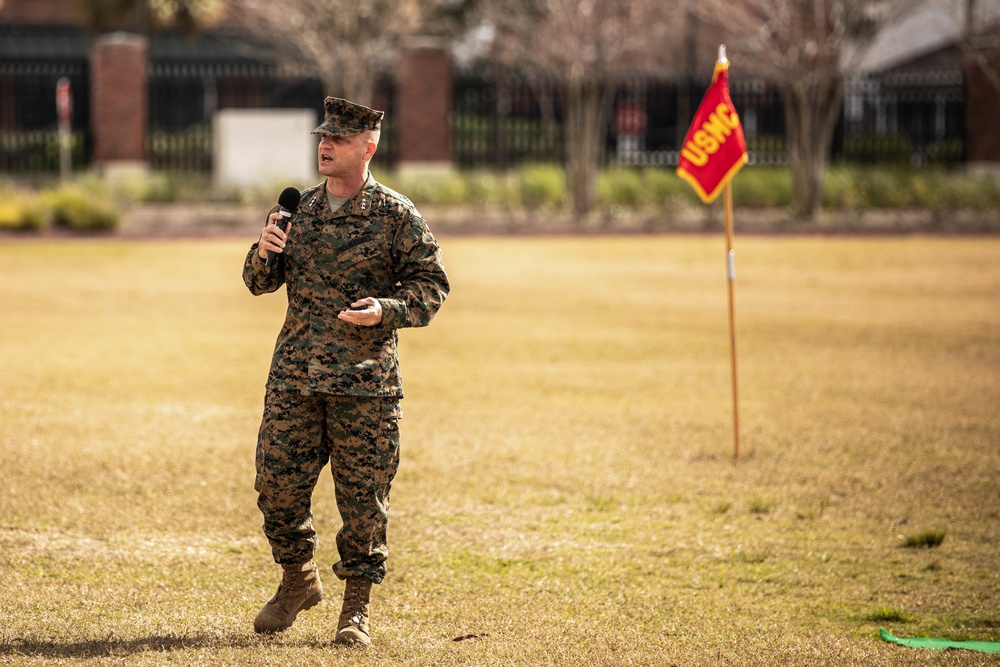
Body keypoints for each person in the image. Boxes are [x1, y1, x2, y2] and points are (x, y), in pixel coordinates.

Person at [242, 96, 449, 646]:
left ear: (368, 147)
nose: (326, 145)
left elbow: (431, 286)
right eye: (323, 137)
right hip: (295, 377)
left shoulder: (395, 214)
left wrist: (387, 309)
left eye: (339, 138)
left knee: (363, 502)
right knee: (276, 485)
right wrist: (263, 251)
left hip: (364, 383)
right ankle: (297, 580)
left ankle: (355, 609)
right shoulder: (298, 211)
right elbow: (259, 283)